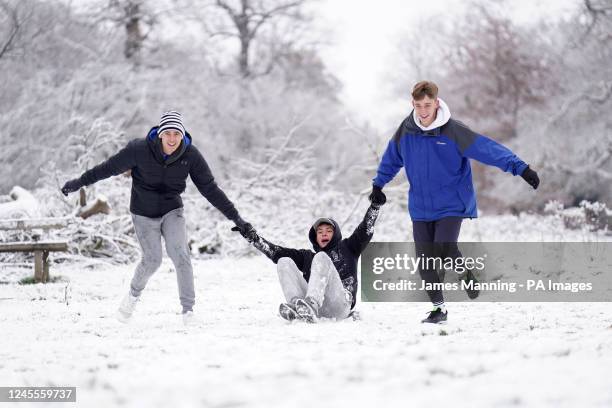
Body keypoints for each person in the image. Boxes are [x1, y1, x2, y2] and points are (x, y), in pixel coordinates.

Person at [369, 81, 540, 324]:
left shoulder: (453, 131)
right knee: (426, 262)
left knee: (444, 247)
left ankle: (464, 272)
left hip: (452, 203)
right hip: (420, 207)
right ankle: (439, 310)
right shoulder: (405, 131)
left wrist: (521, 168)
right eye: (418, 105)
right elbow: (391, 159)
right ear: (413, 104)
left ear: (436, 103)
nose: (423, 110)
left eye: (427, 105)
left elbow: (487, 149)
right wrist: (378, 185)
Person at [61, 111, 253, 325]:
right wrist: (79, 182)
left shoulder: (191, 156)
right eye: (168, 133)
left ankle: (188, 312)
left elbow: (210, 189)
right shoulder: (139, 149)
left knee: (181, 255)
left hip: (172, 210)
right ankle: (132, 296)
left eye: (176, 134)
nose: (172, 139)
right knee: (152, 260)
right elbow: (108, 168)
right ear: (160, 134)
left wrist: (237, 219)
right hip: (143, 212)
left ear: (182, 136)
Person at [233, 195, 386, 323]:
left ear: (336, 234)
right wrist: (254, 239)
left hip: (340, 306)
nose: (324, 234)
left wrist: (375, 206)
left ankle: (311, 304)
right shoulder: (307, 257)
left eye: (328, 231)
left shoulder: (349, 247)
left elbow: (365, 230)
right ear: (315, 237)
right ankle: (297, 307)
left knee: (321, 257)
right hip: (315, 309)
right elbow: (276, 252)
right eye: (320, 232)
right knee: (284, 261)